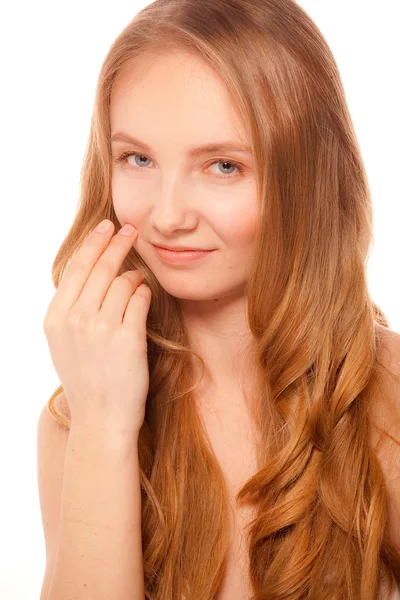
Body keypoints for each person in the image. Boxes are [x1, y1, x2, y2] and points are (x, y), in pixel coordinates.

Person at [37, 0, 400, 598]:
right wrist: (103, 429)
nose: (168, 215)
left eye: (223, 166)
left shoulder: (384, 393)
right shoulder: (75, 421)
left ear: (303, 178)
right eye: (137, 158)